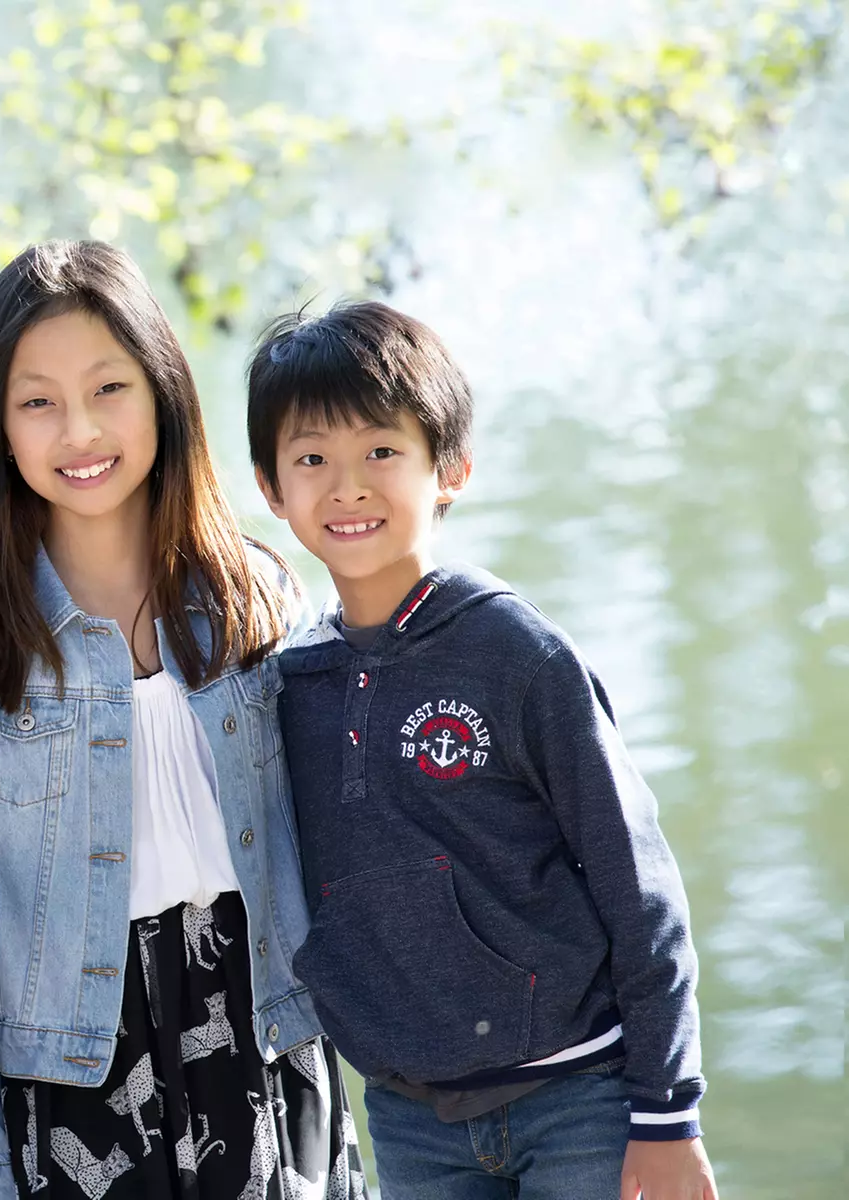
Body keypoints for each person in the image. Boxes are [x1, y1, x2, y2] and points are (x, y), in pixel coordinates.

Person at [247, 300, 716, 1200]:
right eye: (312, 459)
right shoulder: (286, 684)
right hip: (409, 1117)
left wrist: (666, 1112)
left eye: (382, 452)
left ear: (450, 469)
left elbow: (636, 882)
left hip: (578, 1097)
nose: (347, 486)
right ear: (272, 488)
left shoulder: (514, 654)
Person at [0, 240, 366, 1200]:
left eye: (108, 388)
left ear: (163, 392)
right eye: (36, 400)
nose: (78, 430)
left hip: (260, 1027)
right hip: (74, 1062)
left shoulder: (256, 594)